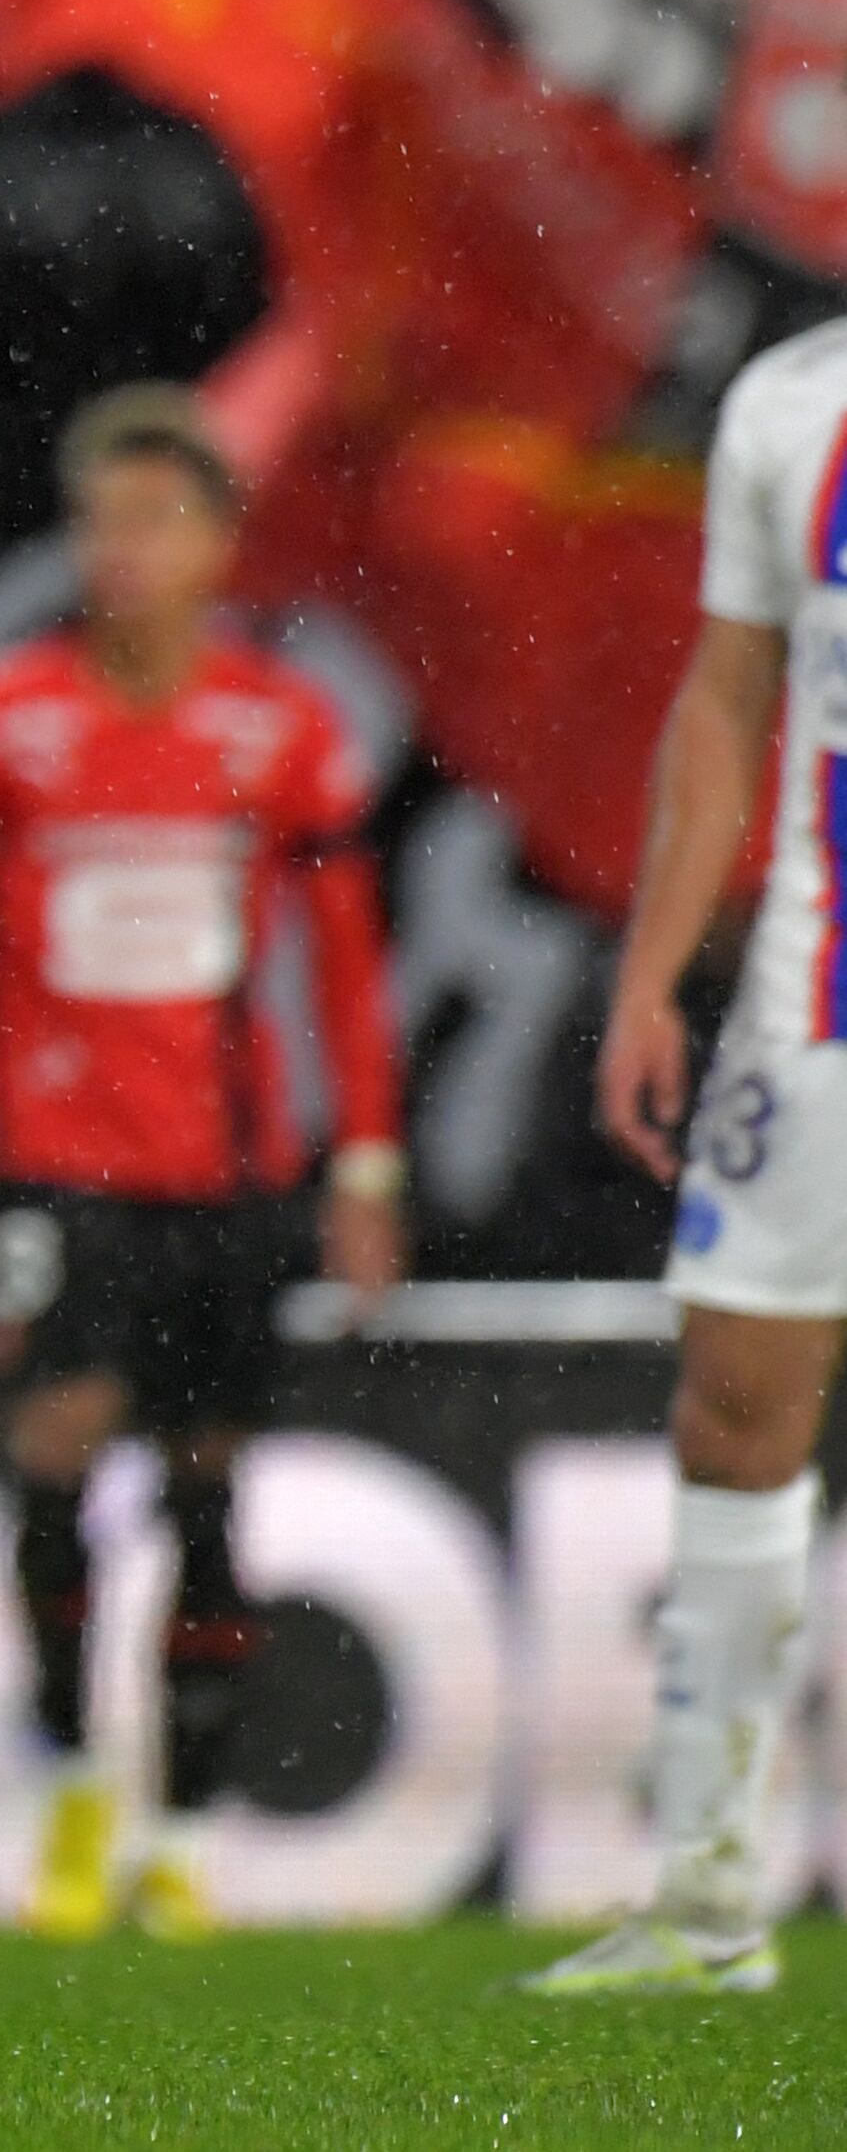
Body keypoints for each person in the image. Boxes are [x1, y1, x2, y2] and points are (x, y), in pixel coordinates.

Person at [0, 382, 407, 1942]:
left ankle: (182, 1828)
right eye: (101, 519)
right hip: (52, 1165)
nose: (123, 550)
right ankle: (63, 1790)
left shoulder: (275, 731)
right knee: (50, 1443)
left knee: (205, 1482)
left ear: (219, 547)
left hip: (226, 1171)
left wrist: (363, 1163)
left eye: (158, 518)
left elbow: (347, 967)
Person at [522, 317, 847, 1998]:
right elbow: (725, 693)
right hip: (814, 1001)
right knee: (731, 1399)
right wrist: (652, 969)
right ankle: (709, 1898)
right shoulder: (788, 401)